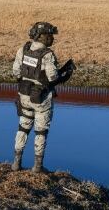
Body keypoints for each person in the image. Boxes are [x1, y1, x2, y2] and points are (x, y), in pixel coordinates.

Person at [11, 20, 74, 172]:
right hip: (41, 99)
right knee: (41, 131)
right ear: (41, 36)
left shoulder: (23, 49)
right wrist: (65, 74)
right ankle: (37, 167)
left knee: (23, 127)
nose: (52, 38)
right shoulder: (47, 55)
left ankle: (16, 163)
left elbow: (16, 72)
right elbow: (53, 77)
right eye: (50, 35)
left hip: (24, 95)